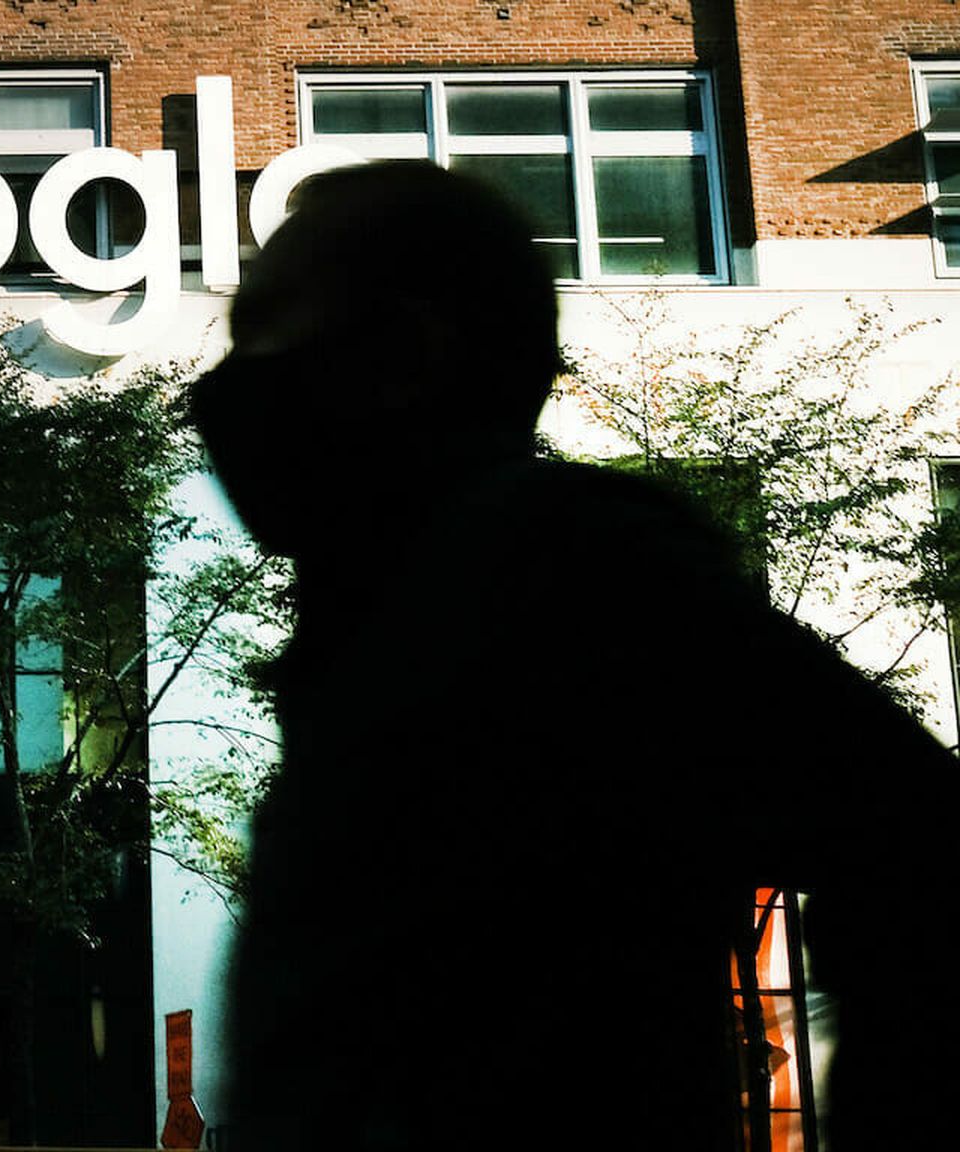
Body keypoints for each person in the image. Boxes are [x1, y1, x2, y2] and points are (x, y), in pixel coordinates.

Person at [192, 162, 955, 1152]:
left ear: (407, 350)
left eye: (274, 322)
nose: (233, 376)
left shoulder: (569, 573)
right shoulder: (406, 603)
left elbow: (917, 842)